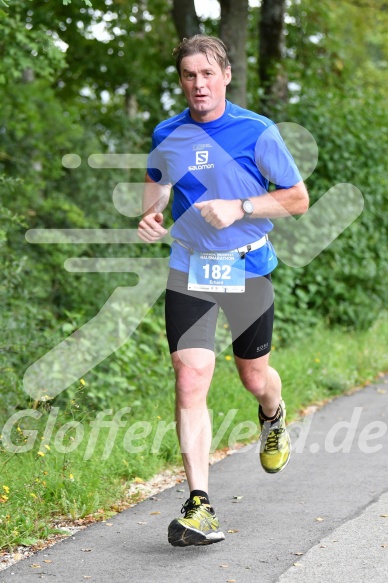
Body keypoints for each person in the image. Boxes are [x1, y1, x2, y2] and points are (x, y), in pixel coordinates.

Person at [138, 34, 309, 547]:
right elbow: (158, 184)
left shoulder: (257, 132)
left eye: (207, 74)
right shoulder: (168, 132)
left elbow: (297, 199)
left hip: (247, 266)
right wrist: (152, 212)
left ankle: (273, 413)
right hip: (190, 266)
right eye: (189, 75)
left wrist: (242, 207)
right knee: (191, 376)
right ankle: (200, 505)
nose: (198, 84)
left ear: (226, 75)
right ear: (182, 81)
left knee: (254, 377)